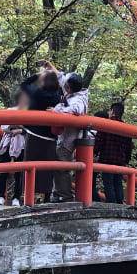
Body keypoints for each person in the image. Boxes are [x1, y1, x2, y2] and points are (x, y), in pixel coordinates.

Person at [19, 65, 63, 203]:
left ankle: (29, 197)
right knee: (47, 168)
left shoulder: (37, 93)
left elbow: (23, 84)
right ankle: (47, 198)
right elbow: (65, 86)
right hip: (50, 137)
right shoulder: (58, 97)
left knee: (30, 165)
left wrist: (38, 74)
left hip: (34, 134)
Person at [51, 71, 89, 202]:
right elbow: (61, 79)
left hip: (68, 140)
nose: (63, 85)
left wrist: (56, 111)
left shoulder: (78, 99)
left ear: (69, 87)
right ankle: (57, 194)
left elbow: (75, 109)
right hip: (65, 138)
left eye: (65, 84)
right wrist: (49, 66)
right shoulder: (73, 93)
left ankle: (65, 196)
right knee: (58, 167)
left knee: (62, 167)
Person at [94, 101, 134, 204]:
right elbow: (129, 147)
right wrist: (126, 160)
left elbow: (99, 142)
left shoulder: (106, 125)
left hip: (106, 158)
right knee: (118, 182)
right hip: (120, 160)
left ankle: (111, 203)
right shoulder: (127, 129)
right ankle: (119, 203)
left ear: (112, 111)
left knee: (108, 182)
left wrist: (94, 153)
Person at [0, 88, 29, 206]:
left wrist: (21, 129)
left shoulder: (29, 112)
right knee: (3, 171)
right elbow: (4, 126)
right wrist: (17, 127)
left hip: (22, 144)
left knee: (19, 173)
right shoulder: (9, 110)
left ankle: (16, 198)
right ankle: (0, 196)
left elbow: (32, 129)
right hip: (8, 143)